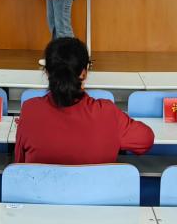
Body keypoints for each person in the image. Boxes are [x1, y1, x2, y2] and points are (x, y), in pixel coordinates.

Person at [14, 37, 154, 163]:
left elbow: (19, 164)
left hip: (42, 185)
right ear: (84, 73)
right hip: (98, 185)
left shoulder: (30, 110)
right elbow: (146, 140)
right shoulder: (107, 113)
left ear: (47, 72)